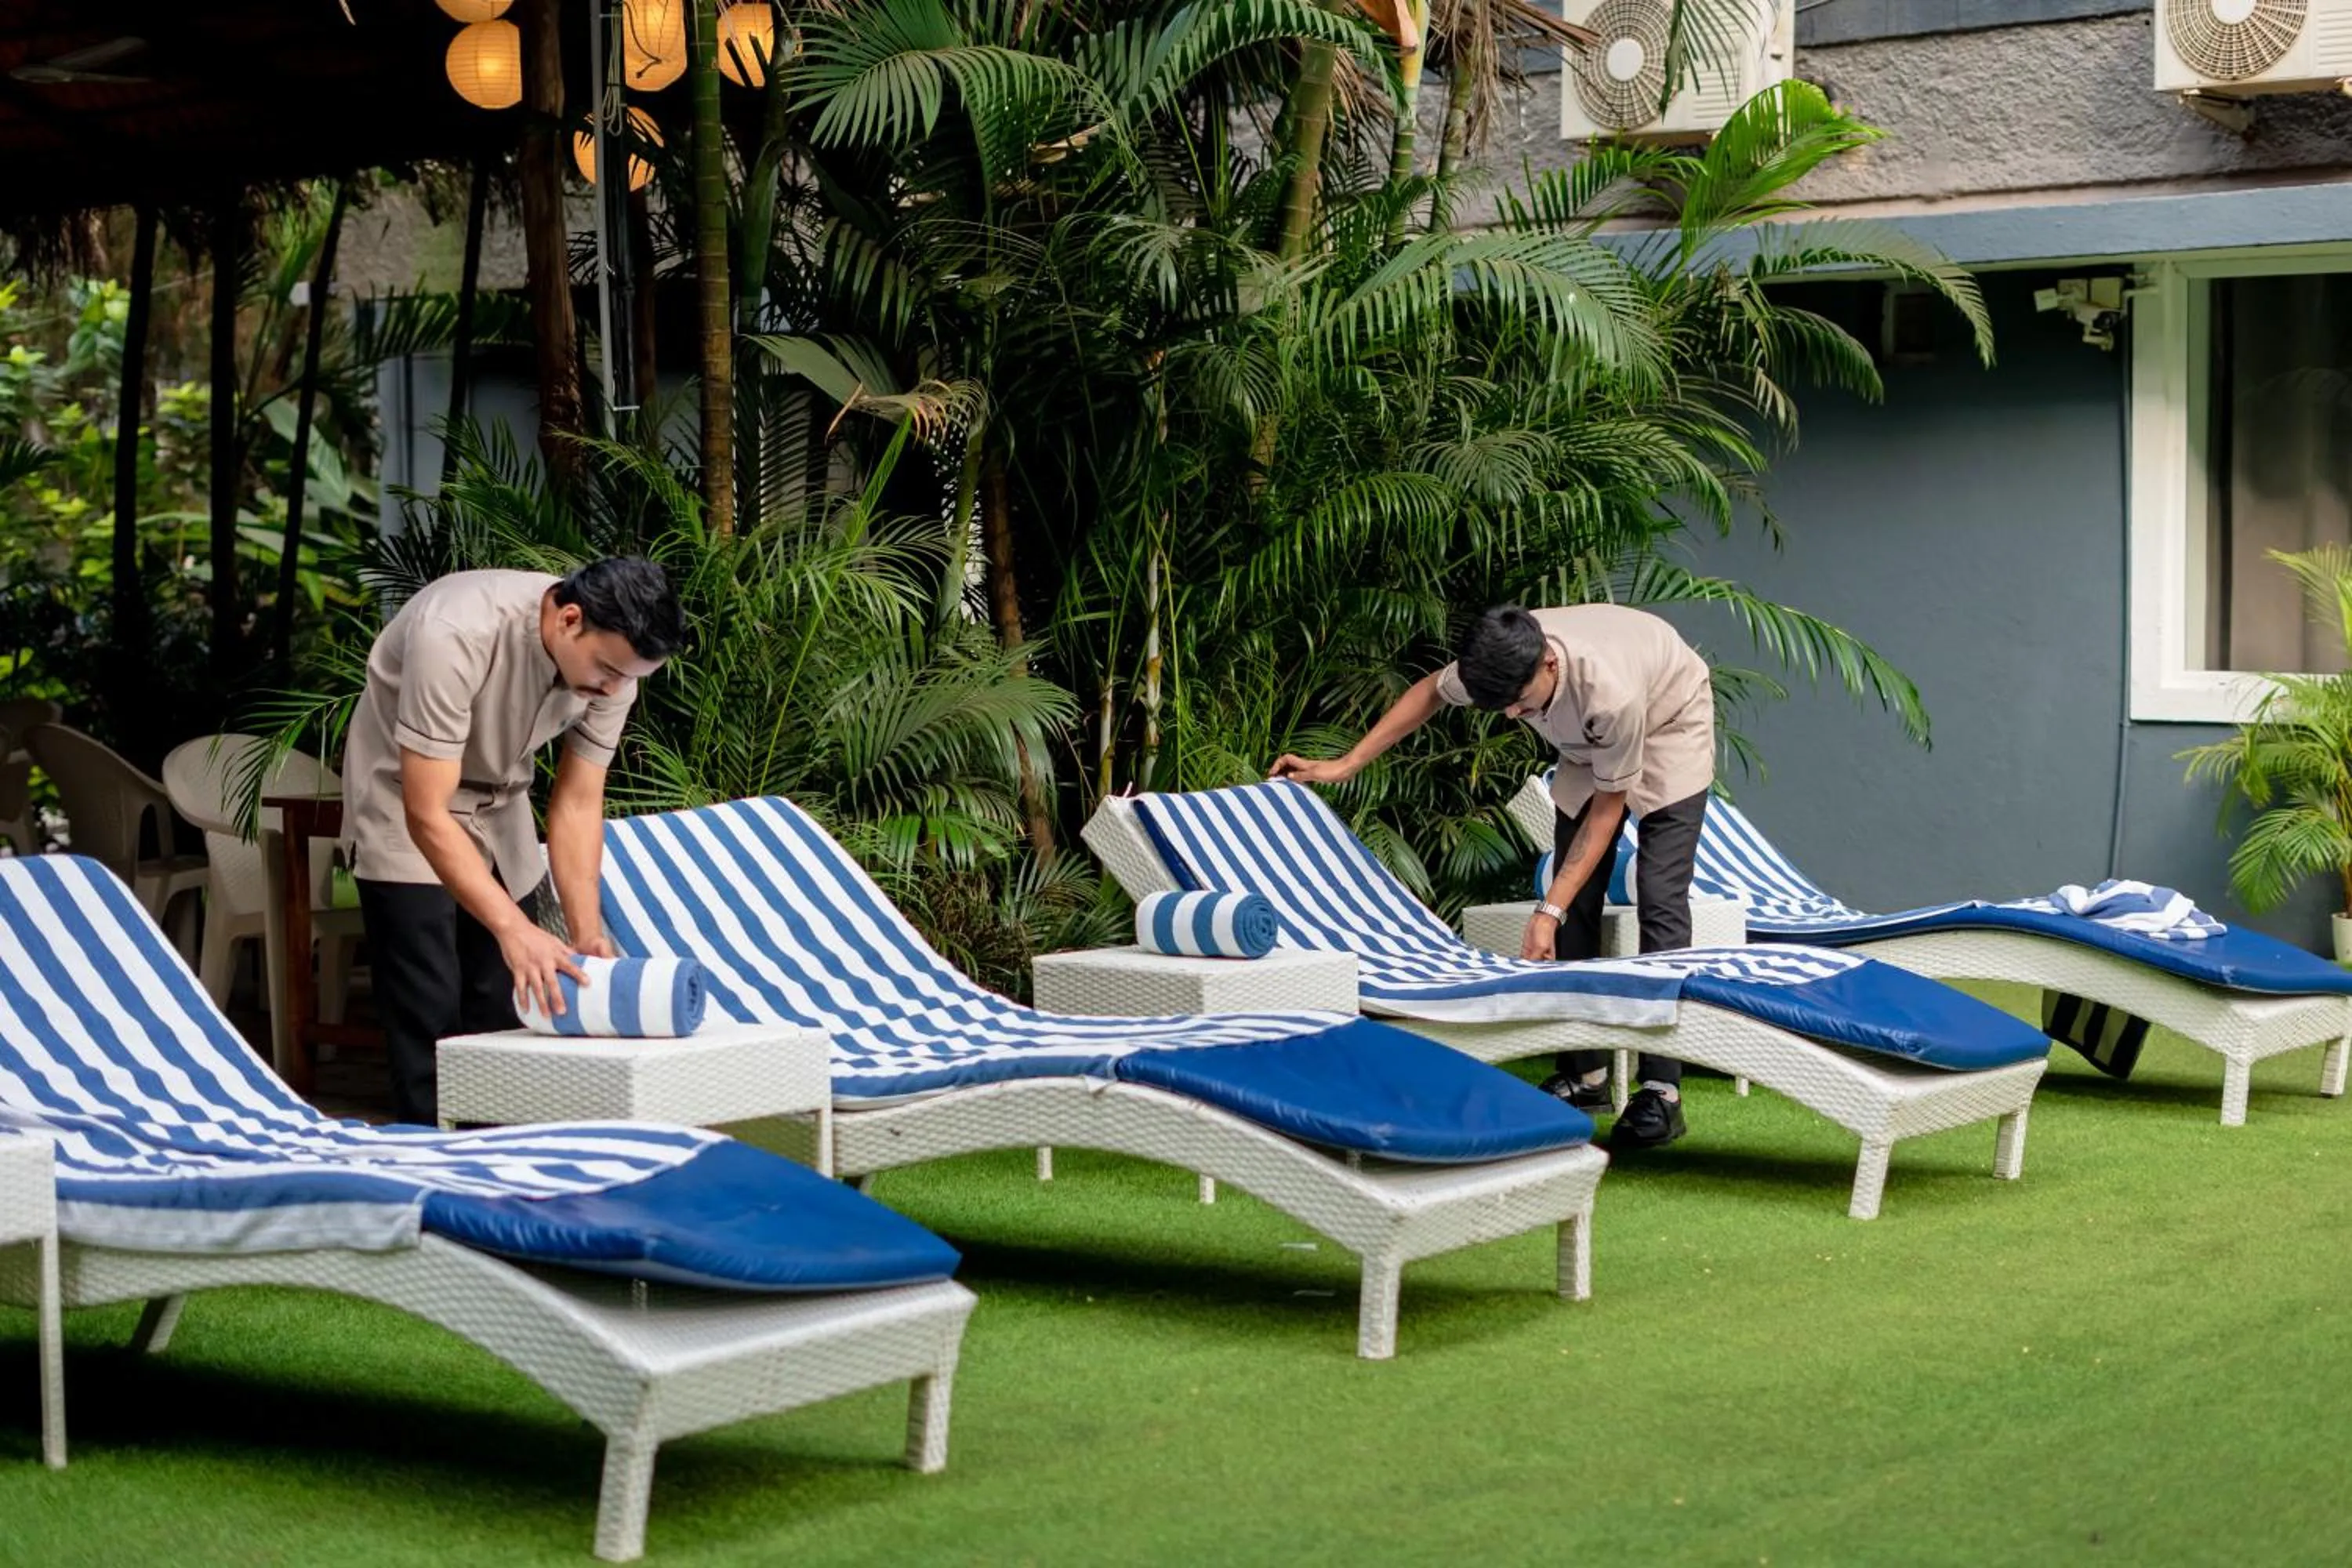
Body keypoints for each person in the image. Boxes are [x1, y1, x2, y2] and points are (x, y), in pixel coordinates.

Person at [1270, 603, 1714, 1150]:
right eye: (1501, 706)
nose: (1509, 717)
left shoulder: (1611, 694)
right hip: (1585, 738)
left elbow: (1606, 816)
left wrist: (1545, 912)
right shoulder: (1500, 660)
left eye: (1519, 704)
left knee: (1660, 895)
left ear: (1549, 663)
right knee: (1575, 902)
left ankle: (1661, 1091)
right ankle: (1587, 1074)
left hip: (1670, 717)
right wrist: (1346, 764)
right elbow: (1430, 691)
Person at [340, 559, 684, 1125]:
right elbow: (427, 811)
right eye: (607, 671)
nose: (614, 689)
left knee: (509, 1002)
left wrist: (585, 933)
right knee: (430, 1008)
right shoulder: (454, 632)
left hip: (501, 807)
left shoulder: (615, 666)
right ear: (570, 619)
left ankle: (503, 1157)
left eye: (629, 679)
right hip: (403, 803)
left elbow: (576, 804)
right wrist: (514, 928)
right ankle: (432, 1165)